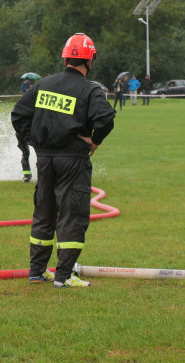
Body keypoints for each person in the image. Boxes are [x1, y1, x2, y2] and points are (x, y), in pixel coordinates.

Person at [11, 33, 115, 288]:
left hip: (45, 160)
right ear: (89, 60)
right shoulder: (90, 89)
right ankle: (64, 275)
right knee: (72, 214)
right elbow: (105, 119)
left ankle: (37, 272)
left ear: (65, 58)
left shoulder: (43, 84)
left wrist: (36, 142)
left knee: (44, 213)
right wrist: (94, 141)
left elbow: (18, 115)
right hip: (73, 160)